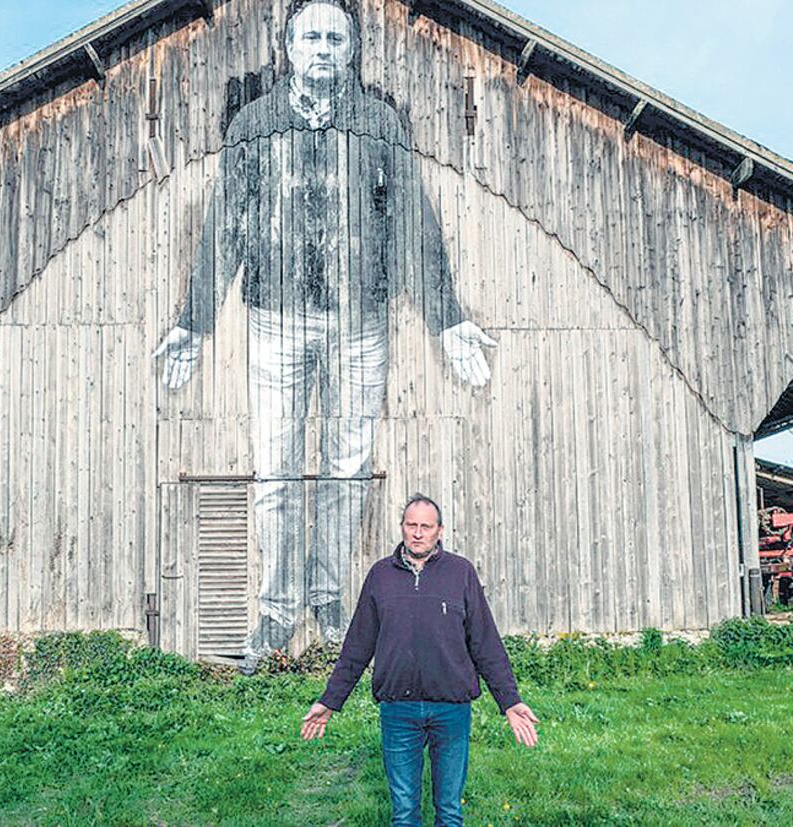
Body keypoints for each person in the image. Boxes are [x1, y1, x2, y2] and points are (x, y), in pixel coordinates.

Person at [154, 0, 498, 671]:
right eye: (308, 35)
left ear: (351, 51)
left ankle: (329, 599)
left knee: (343, 469)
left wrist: (448, 316)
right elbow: (223, 226)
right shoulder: (254, 126)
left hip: (359, 322)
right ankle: (277, 610)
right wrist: (193, 322)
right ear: (286, 45)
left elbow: (411, 225)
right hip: (274, 319)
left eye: (333, 38)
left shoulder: (377, 124)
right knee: (277, 471)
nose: (320, 47)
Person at [300, 494, 539, 826]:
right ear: (402, 528)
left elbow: (486, 643)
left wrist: (509, 701)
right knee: (404, 813)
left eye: (426, 526)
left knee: (450, 811)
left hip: (451, 709)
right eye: (411, 525)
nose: (417, 533)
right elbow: (357, 647)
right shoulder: (381, 576)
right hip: (399, 710)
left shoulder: (460, 573)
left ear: (439, 531)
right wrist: (330, 701)